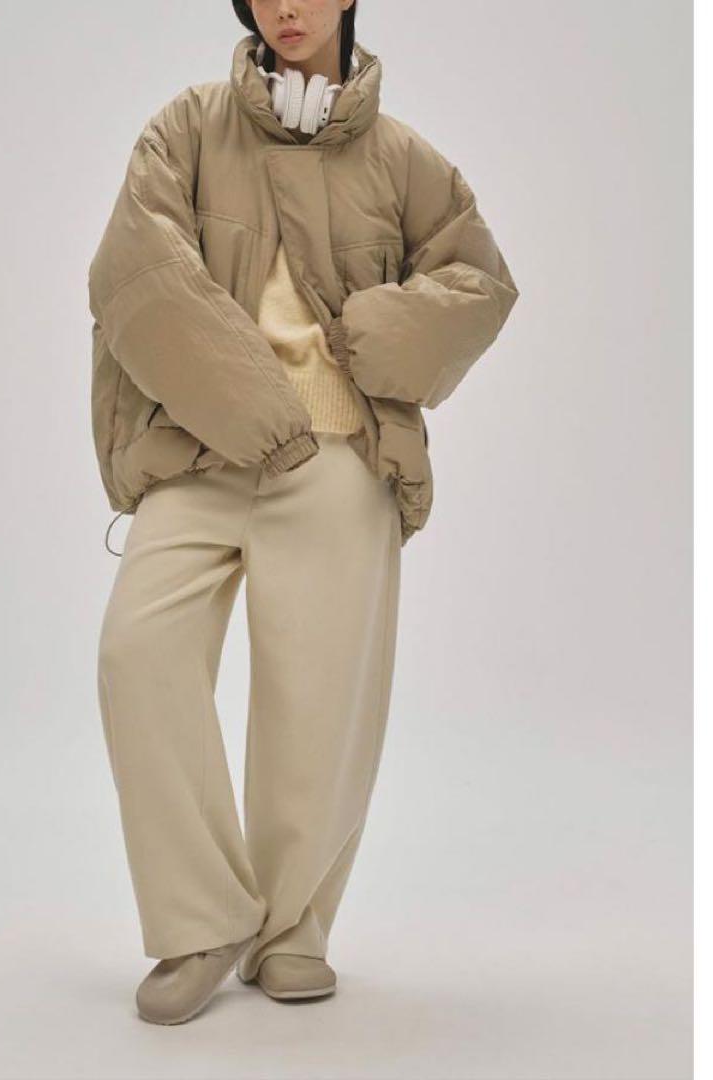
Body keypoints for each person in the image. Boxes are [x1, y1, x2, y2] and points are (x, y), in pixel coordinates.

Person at [87, 0, 518, 1025]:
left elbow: (481, 284)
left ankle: (292, 932)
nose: (288, 6)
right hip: (201, 445)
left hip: (339, 457)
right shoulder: (186, 127)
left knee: (318, 702)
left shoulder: (405, 158)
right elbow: (133, 272)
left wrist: (378, 335)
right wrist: (246, 403)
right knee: (137, 654)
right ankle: (203, 919)